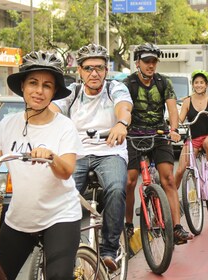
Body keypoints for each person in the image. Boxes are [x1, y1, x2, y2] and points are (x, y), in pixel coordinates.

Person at [0, 51, 84, 279]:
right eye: (33, 83)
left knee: (59, 277)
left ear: (53, 93)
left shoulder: (64, 127)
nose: (39, 91)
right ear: (22, 86)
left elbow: (67, 171)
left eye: (47, 86)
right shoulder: (7, 125)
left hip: (60, 216)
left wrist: (52, 156)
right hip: (19, 219)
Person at [49, 43, 132, 272]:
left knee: (116, 188)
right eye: (88, 68)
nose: (94, 73)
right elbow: (53, 111)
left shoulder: (115, 88)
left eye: (99, 68)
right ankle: (68, 246)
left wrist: (121, 123)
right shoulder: (72, 92)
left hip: (109, 151)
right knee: (62, 194)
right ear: (80, 71)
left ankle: (109, 249)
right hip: (77, 153)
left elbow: (124, 107)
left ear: (106, 70)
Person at [123, 43, 193, 245]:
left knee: (168, 179)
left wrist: (174, 129)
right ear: (138, 63)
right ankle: (128, 224)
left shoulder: (164, 83)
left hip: (159, 133)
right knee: (129, 180)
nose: (150, 65)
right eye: (146, 61)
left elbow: (172, 109)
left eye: (154, 61)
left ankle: (177, 228)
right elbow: (124, 109)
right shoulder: (128, 84)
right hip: (134, 135)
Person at [175, 70, 208, 191]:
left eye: (201, 82)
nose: (199, 85)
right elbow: (180, 119)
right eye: (196, 82)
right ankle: (171, 198)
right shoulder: (187, 101)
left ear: (206, 85)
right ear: (193, 84)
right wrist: (172, 118)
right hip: (193, 138)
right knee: (180, 170)